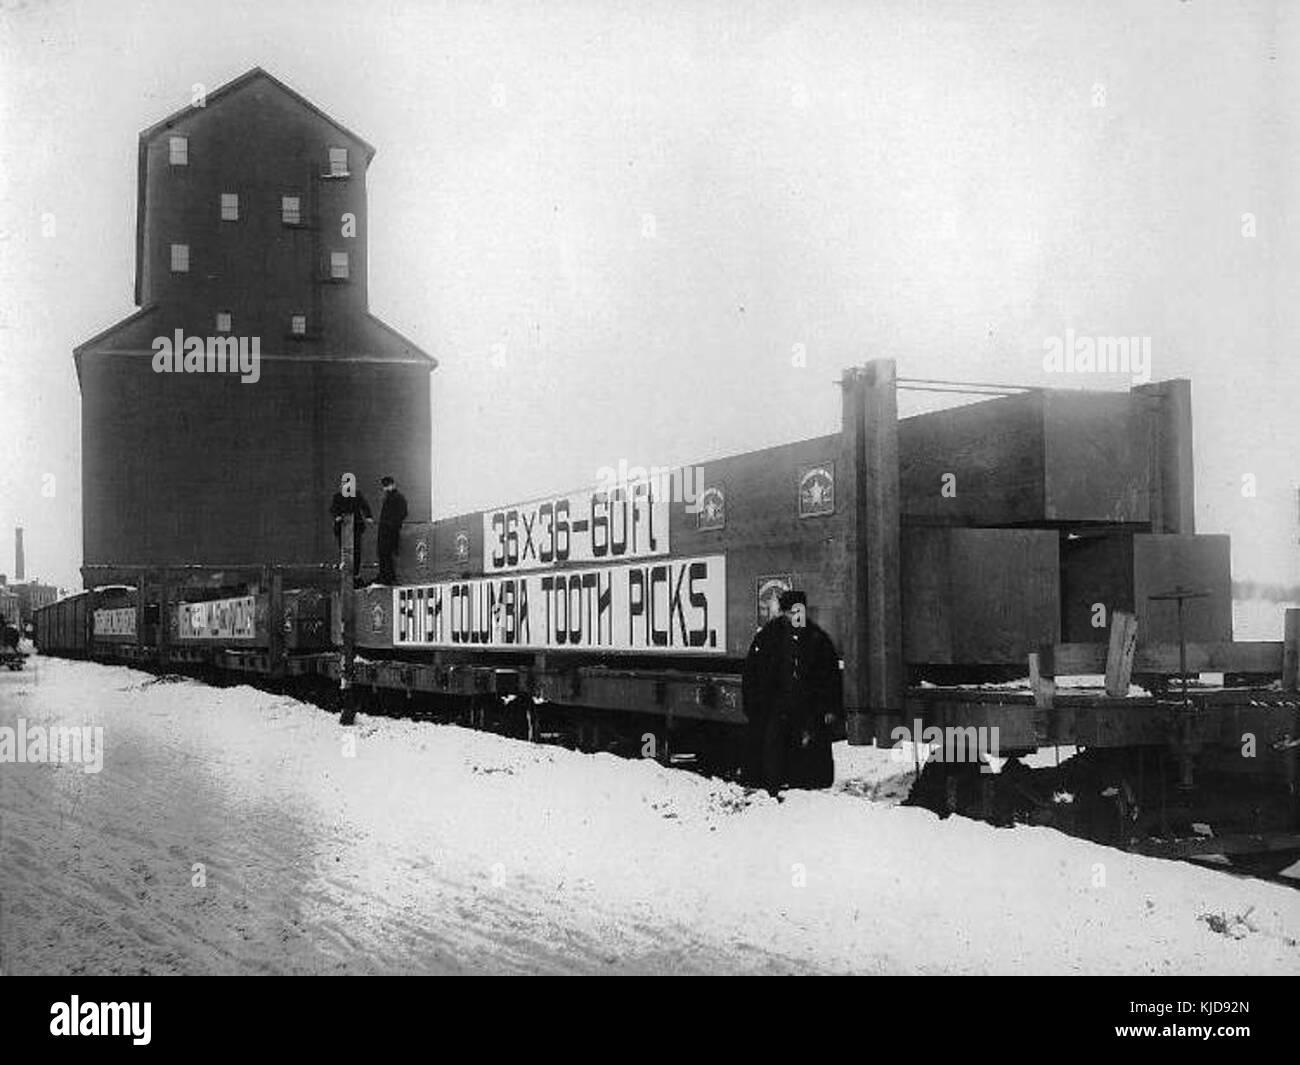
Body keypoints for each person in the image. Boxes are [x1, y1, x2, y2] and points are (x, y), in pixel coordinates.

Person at [740, 590, 842, 795]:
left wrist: (830, 708)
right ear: (784, 612)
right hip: (776, 705)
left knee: (805, 749)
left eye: (799, 611)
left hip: (808, 707)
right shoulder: (768, 637)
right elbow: (752, 675)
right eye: (791, 612)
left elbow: (830, 677)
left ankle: (802, 787)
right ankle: (775, 786)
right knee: (775, 748)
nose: (795, 616)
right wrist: (754, 706)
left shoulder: (817, 639)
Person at [330, 477, 373, 584]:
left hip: (356, 528)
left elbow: (364, 506)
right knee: (345, 553)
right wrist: (337, 516)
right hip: (343, 529)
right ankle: (347, 575)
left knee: (357, 551)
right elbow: (333, 509)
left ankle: (356, 575)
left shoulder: (357, 495)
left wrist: (368, 516)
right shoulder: (337, 497)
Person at [376, 475, 408, 585]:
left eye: (387, 485)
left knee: (388, 554)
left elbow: (403, 513)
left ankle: (388, 577)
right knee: (383, 554)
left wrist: (392, 524)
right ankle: (384, 575)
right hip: (385, 530)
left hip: (390, 531)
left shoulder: (398, 497)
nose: (386, 488)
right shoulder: (389, 498)